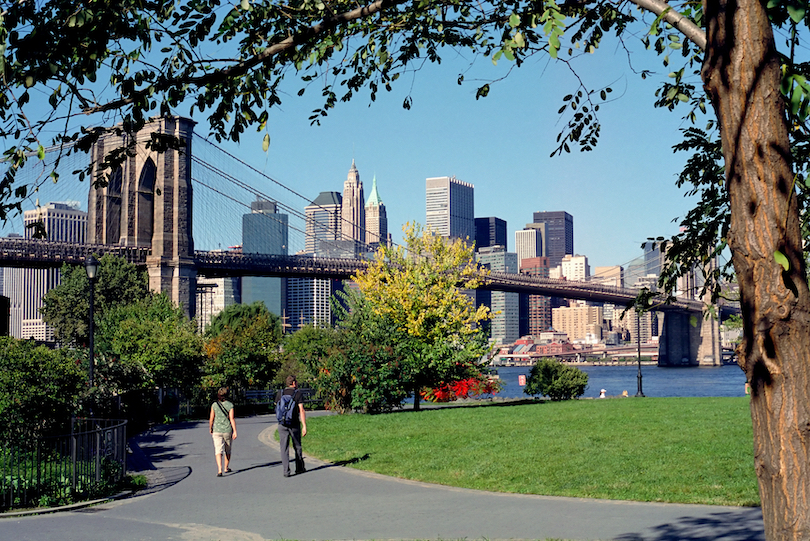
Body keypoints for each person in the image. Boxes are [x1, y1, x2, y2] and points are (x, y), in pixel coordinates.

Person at [275, 375, 307, 477]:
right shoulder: (297, 394)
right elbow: (301, 410)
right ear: (293, 383)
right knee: (297, 446)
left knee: (284, 448)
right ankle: (299, 468)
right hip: (294, 424)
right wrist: (304, 425)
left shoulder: (280, 393)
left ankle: (286, 471)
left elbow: (277, 408)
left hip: (282, 424)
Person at [209, 386, 237, 477]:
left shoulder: (214, 405)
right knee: (227, 450)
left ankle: (219, 470)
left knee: (218, 450)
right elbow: (232, 419)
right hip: (227, 430)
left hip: (217, 430)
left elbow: (211, 418)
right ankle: (226, 467)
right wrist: (235, 431)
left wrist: (210, 428)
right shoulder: (230, 405)